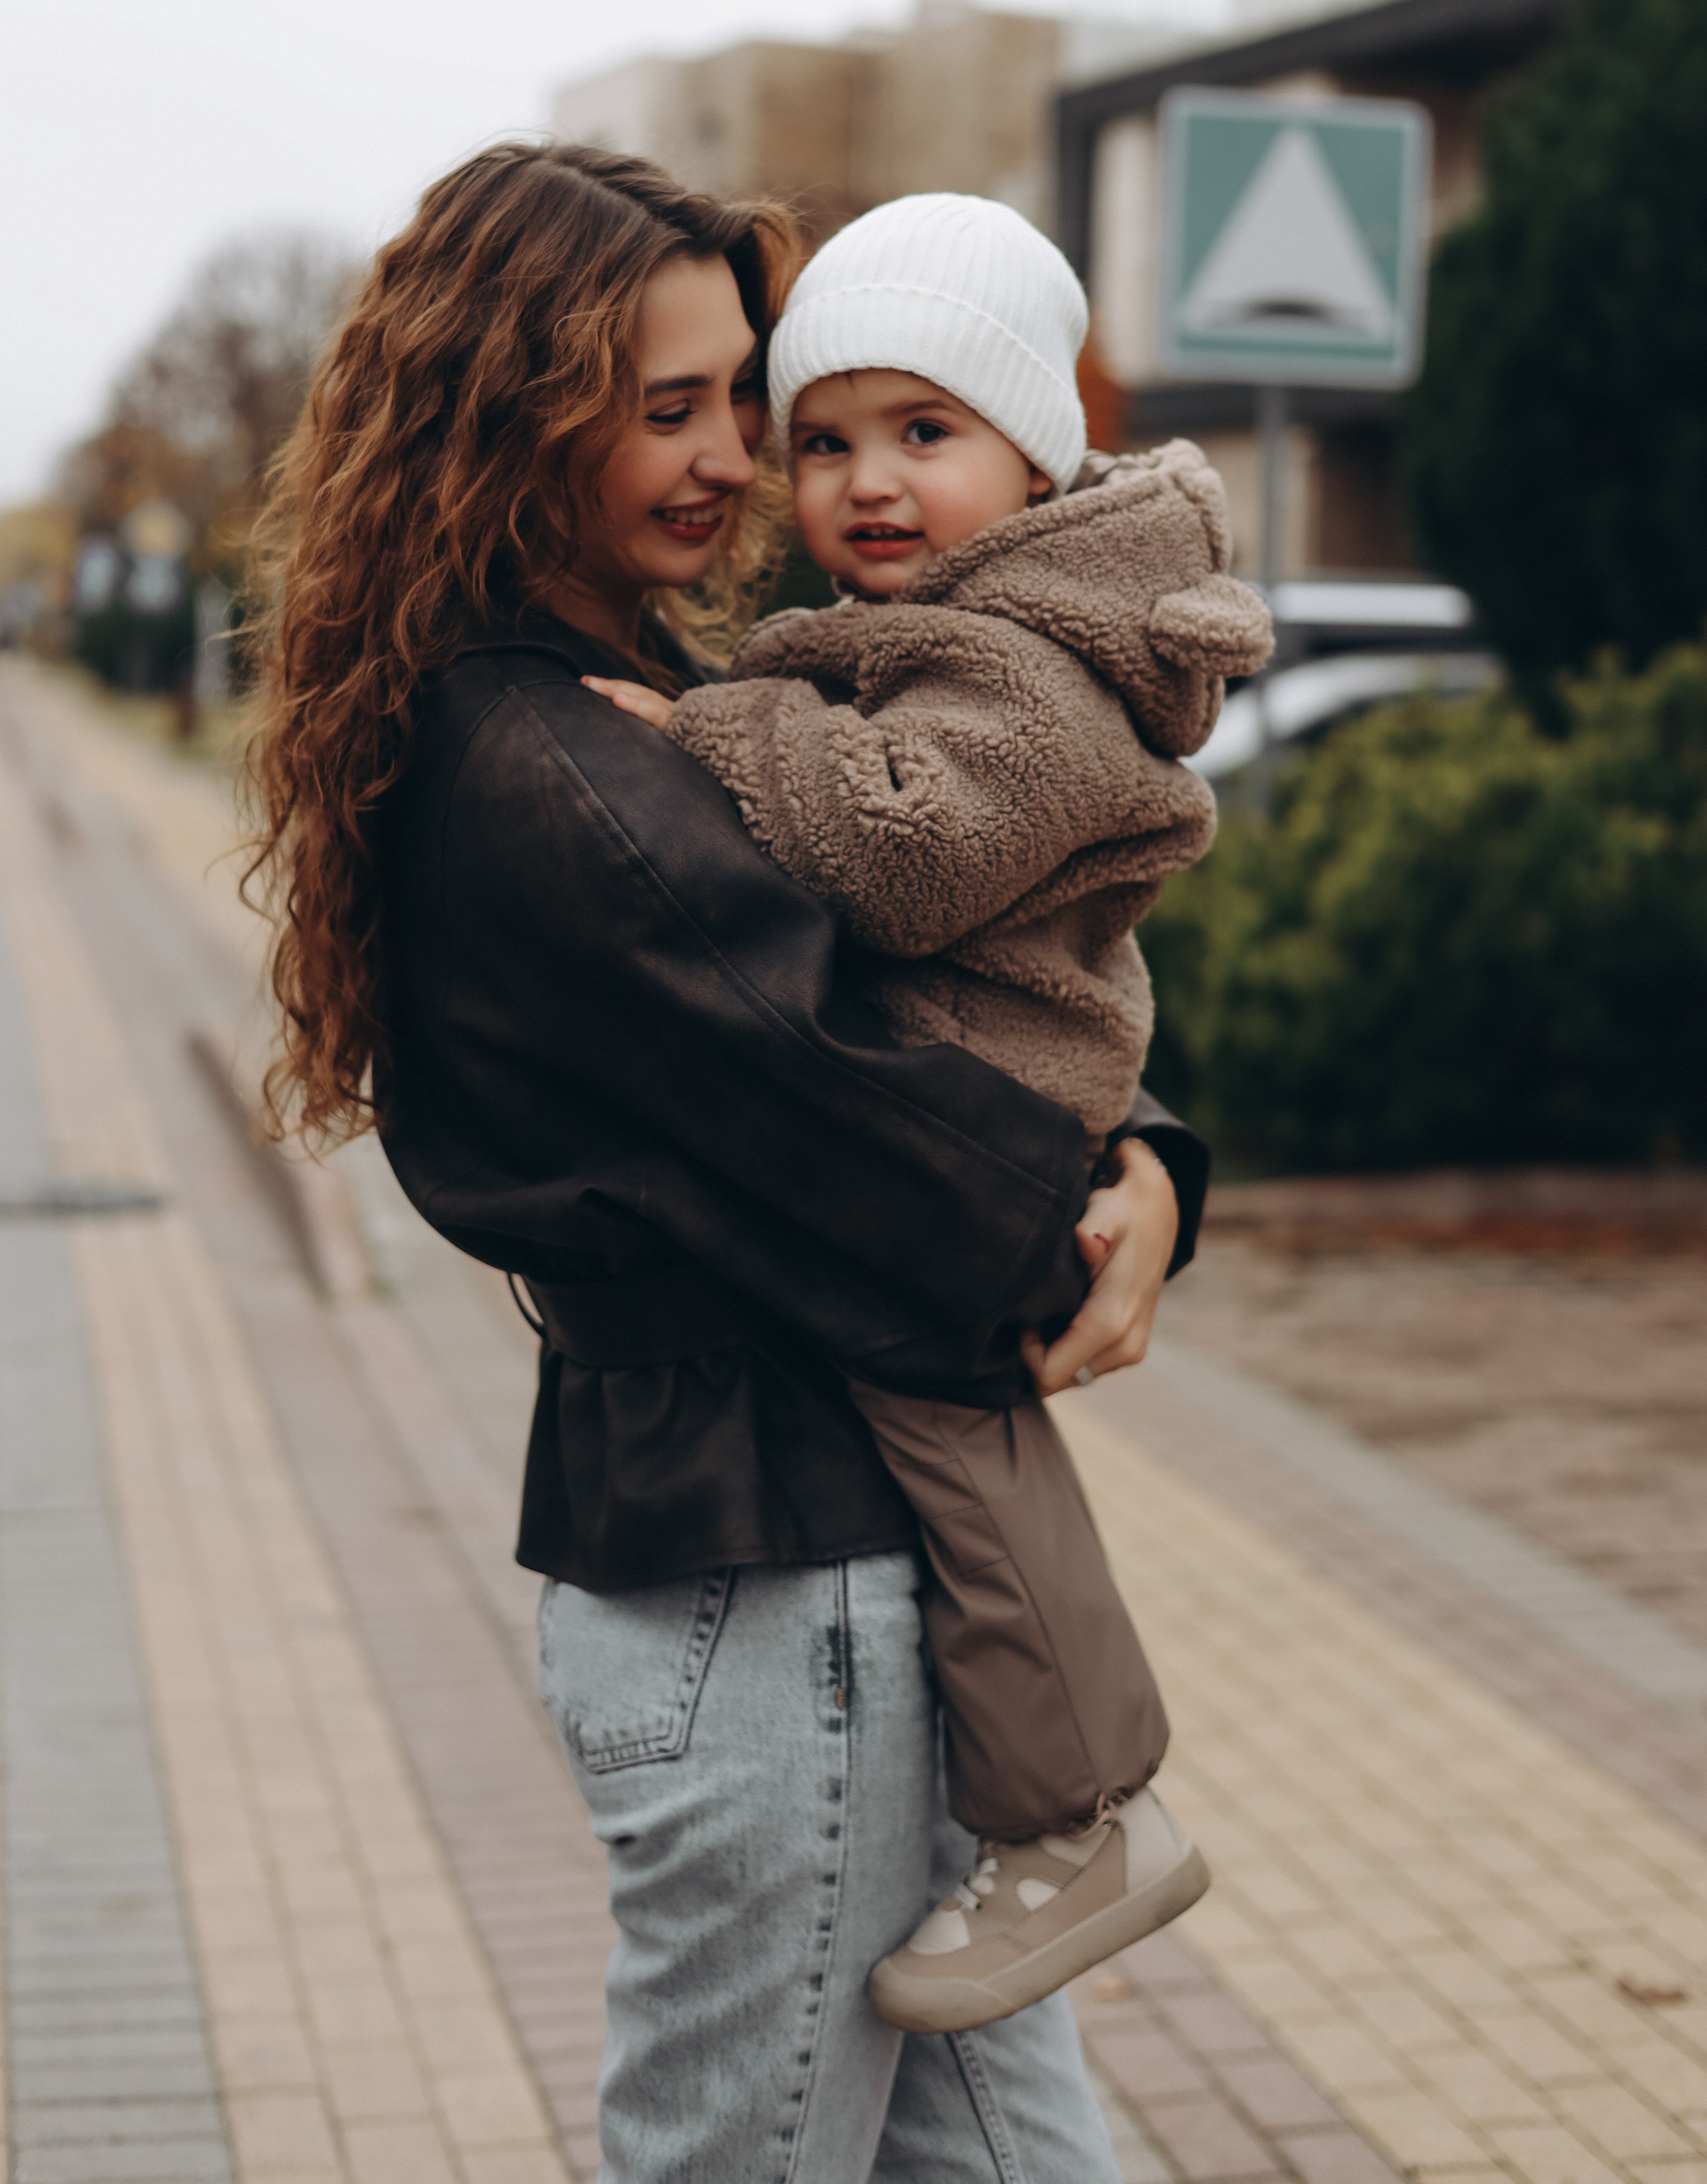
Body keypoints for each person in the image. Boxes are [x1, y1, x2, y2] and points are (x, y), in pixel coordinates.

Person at [245, 140, 1210, 2184]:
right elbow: (869, 1111)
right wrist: (1100, 1207)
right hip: (774, 1603)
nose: (724, 459)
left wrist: (1157, 1164)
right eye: (659, 404)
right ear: (517, 406)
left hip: (815, 1560)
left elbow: (941, 988)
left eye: (731, 403)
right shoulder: (559, 770)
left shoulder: (646, 701)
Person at [584, 193, 1272, 2034]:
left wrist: (694, 731)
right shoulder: (971, 624)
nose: (858, 483)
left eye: (922, 433)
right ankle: (1065, 1808)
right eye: (824, 442)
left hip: (987, 1084)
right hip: (982, 1071)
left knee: (962, 1442)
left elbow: (895, 857)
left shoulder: (1022, 660)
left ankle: (1083, 1814)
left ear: (1032, 448)